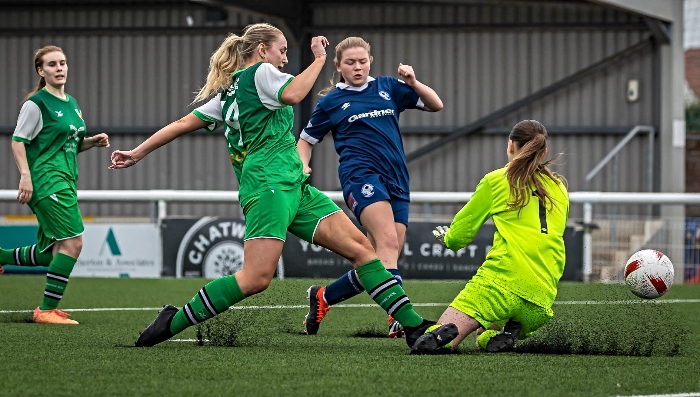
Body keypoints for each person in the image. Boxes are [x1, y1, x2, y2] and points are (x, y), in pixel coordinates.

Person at [109, 23, 457, 352]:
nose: (286, 58)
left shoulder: (230, 93)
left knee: (364, 250)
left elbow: (183, 123)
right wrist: (320, 59)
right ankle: (172, 321)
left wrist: (137, 153)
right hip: (268, 188)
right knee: (256, 278)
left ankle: (413, 327)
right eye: (282, 51)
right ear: (262, 50)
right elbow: (292, 95)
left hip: (295, 187)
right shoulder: (261, 73)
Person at [297, 37, 443, 338]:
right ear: (338, 66)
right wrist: (303, 166)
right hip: (360, 176)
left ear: (370, 62)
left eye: (362, 61)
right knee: (388, 243)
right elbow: (306, 140)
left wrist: (414, 82)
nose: (357, 67)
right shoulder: (331, 102)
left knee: (380, 258)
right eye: (350, 63)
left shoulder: (389, 87)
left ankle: (323, 297)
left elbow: (435, 105)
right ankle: (399, 316)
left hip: (397, 179)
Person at [410, 120, 569, 354]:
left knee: (430, 343)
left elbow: (458, 238)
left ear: (510, 145)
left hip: (501, 283)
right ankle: (499, 334)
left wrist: (448, 239)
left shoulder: (497, 180)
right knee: (488, 329)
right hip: (542, 294)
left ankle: (442, 332)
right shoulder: (559, 187)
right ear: (543, 151)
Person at [0, 45, 110, 324]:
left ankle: (1, 255)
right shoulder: (36, 104)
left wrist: (91, 142)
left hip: (65, 180)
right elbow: (17, 141)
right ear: (41, 71)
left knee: (52, 254)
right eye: (52, 65)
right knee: (73, 244)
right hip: (47, 181)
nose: (59, 68)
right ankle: (46, 310)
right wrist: (25, 175)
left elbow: (64, 145)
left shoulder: (72, 103)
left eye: (62, 63)